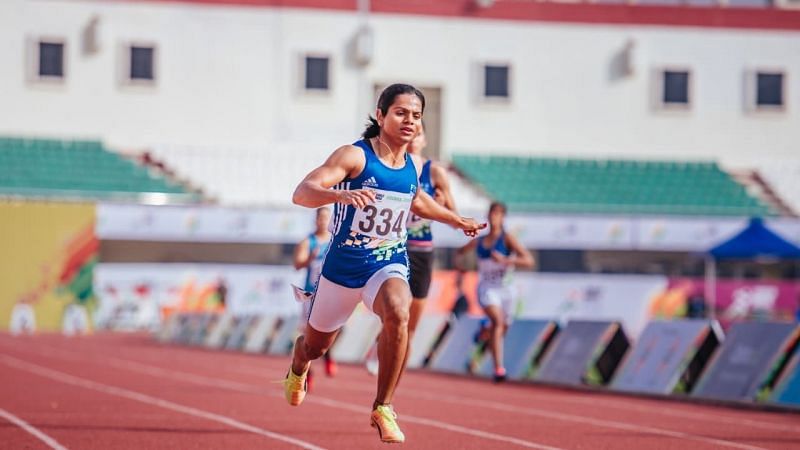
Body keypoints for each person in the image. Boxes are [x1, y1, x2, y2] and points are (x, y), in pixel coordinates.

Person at [285, 83, 485, 443]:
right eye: (401, 113)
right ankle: (299, 364)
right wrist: (339, 194)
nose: (410, 121)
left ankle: (383, 407)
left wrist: (457, 220)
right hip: (343, 271)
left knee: (399, 309)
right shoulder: (355, 156)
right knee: (316, 346)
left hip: (387, 263)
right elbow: (302, 193)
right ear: (380, 115)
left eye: (416, 115)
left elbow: (417, 200)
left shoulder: (412, 165)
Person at [364, 124, 457, 376]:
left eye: (419, 134)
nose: (414, 138)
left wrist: (439, 204)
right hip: (396, 247)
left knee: (411, 327)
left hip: (423, 252)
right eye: (411, 134)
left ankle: (394, 379)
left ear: (425, 139)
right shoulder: (394, 167)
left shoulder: (434, 171)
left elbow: (451, 211)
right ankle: (384, 338)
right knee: (396, 310)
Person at [456, 202, 534, 382]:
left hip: (506, 290)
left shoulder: (507, 239)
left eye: (498, 214)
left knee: (501, 328)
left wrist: (506, 260)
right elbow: (460, 252)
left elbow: (528, 261)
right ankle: (499, 369)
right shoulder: (480, 241)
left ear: (503, 218)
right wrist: (461, 269)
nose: (494, 218)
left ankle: (482, 337)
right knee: (497, 322)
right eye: (492, 214)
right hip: (487, 289)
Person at [292, 207, 336, 387]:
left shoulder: (336, 240)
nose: (323, 221)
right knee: (308, 336)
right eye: (321, 217)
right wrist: (310, 258)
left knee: (331, 330)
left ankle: (329, 358)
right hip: (310, 295)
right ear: (316, 220)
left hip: (331, 293)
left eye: (327, 217)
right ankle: (306, 373)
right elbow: (297, 264)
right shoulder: (308, 242)